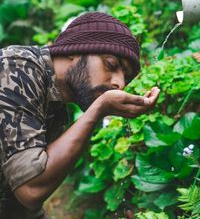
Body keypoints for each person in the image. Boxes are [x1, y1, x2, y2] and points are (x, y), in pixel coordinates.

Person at [0, 12, 160, 219]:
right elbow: (30, 189)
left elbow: (18, 204)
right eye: (111, 64)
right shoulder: (17, 67)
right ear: (74, 51)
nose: (119, 84)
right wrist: (98, 110)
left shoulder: (56, 108)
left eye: (126, 78)